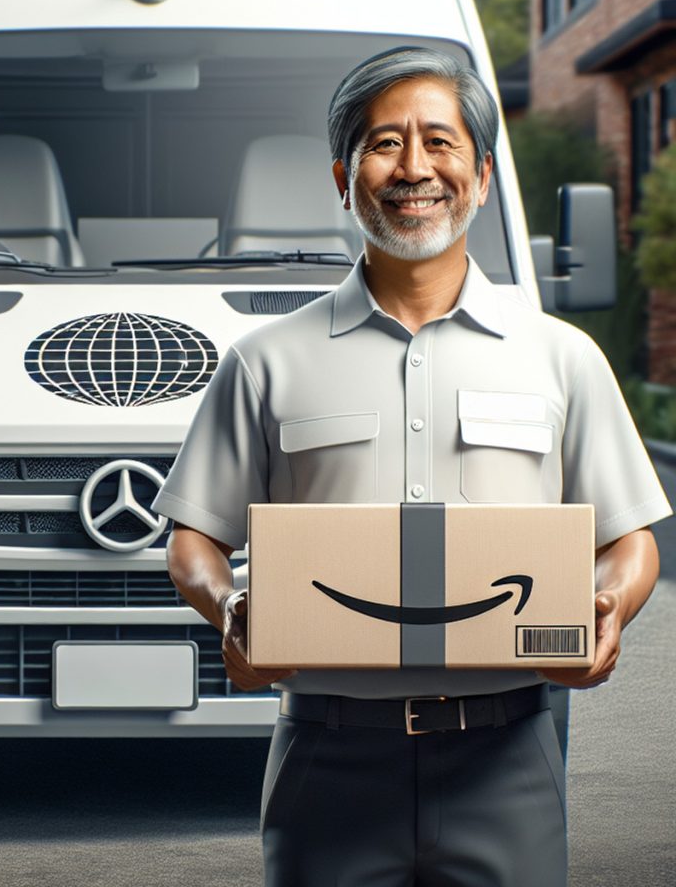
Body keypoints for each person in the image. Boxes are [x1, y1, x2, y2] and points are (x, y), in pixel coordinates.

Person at [153, 46, 671, 887]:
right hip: (327, 751)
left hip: (510, 754)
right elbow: (192, 539)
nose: (415, 167)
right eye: (385, 143)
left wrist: (611, 606)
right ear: (342, 174)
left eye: (440, 141)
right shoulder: (265, 361)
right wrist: (229, 608)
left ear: (482, 172)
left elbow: (630, 536)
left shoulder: (560, 356)